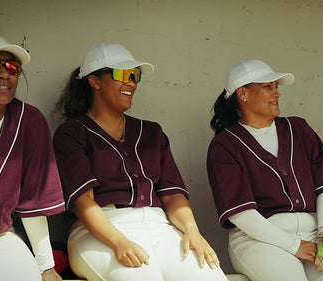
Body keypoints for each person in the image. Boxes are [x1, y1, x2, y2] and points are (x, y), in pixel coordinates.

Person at [53, 42, 228, 281]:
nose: (132, 83)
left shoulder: (151, 132)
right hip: (100, 231)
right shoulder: (72, 133)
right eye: (123, 74)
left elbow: (172, 196)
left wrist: (192, 231)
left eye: (134, 76)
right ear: (95, 81)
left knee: (210, 277)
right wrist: (118, 242)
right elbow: (84, 203)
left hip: (160, 226)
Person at [207, 59, 323, 281]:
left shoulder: (298, 128)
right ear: (243, 93)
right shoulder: (225, 145)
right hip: (258, 239)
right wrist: (293, 245)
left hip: (313, 231)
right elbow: (241, 214)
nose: (277, 93)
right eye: (268, 87)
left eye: (276, 87)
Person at [0, 33, 65, 281]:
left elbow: (34, 202)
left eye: (12, 67)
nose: (4, 74)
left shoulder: (29, 120)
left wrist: (46, 266)